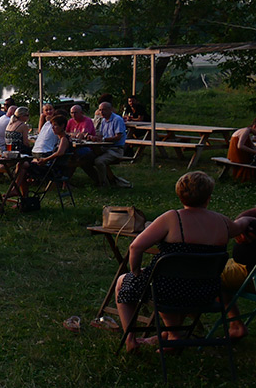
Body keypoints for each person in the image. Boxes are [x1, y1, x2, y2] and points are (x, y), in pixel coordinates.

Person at [115, 172, 256, 351]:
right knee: (173, 282)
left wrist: (136, 272)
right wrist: (248, 219)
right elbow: (240, 226)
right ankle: (173, 335)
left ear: (180, 195)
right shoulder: (222, 222)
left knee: (123, 281)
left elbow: (135, 247)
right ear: (208, 197)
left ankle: (131, 340)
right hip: (205, 292)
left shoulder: (172, 218)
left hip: (167, 291)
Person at [91, 101, 131, 188]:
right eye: (100, 110)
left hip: (115, 149)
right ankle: (101, 179)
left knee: (99, 161)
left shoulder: (117, 120)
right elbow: (101, 135)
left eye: (104, 110)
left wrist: (103, 139)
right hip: (104, 147)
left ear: (110, 110)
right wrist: (94, 137)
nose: (101, 112)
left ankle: (103, 183)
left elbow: (118, 137)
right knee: (87, 157)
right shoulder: (103, 121)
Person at [225, 117, 256, 181]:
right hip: (237, 157)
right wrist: (254, 152)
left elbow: (252, 145)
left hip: (233, 156)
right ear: (254, 127)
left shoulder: (243, 130)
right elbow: (240, 146)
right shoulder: (246, 131)